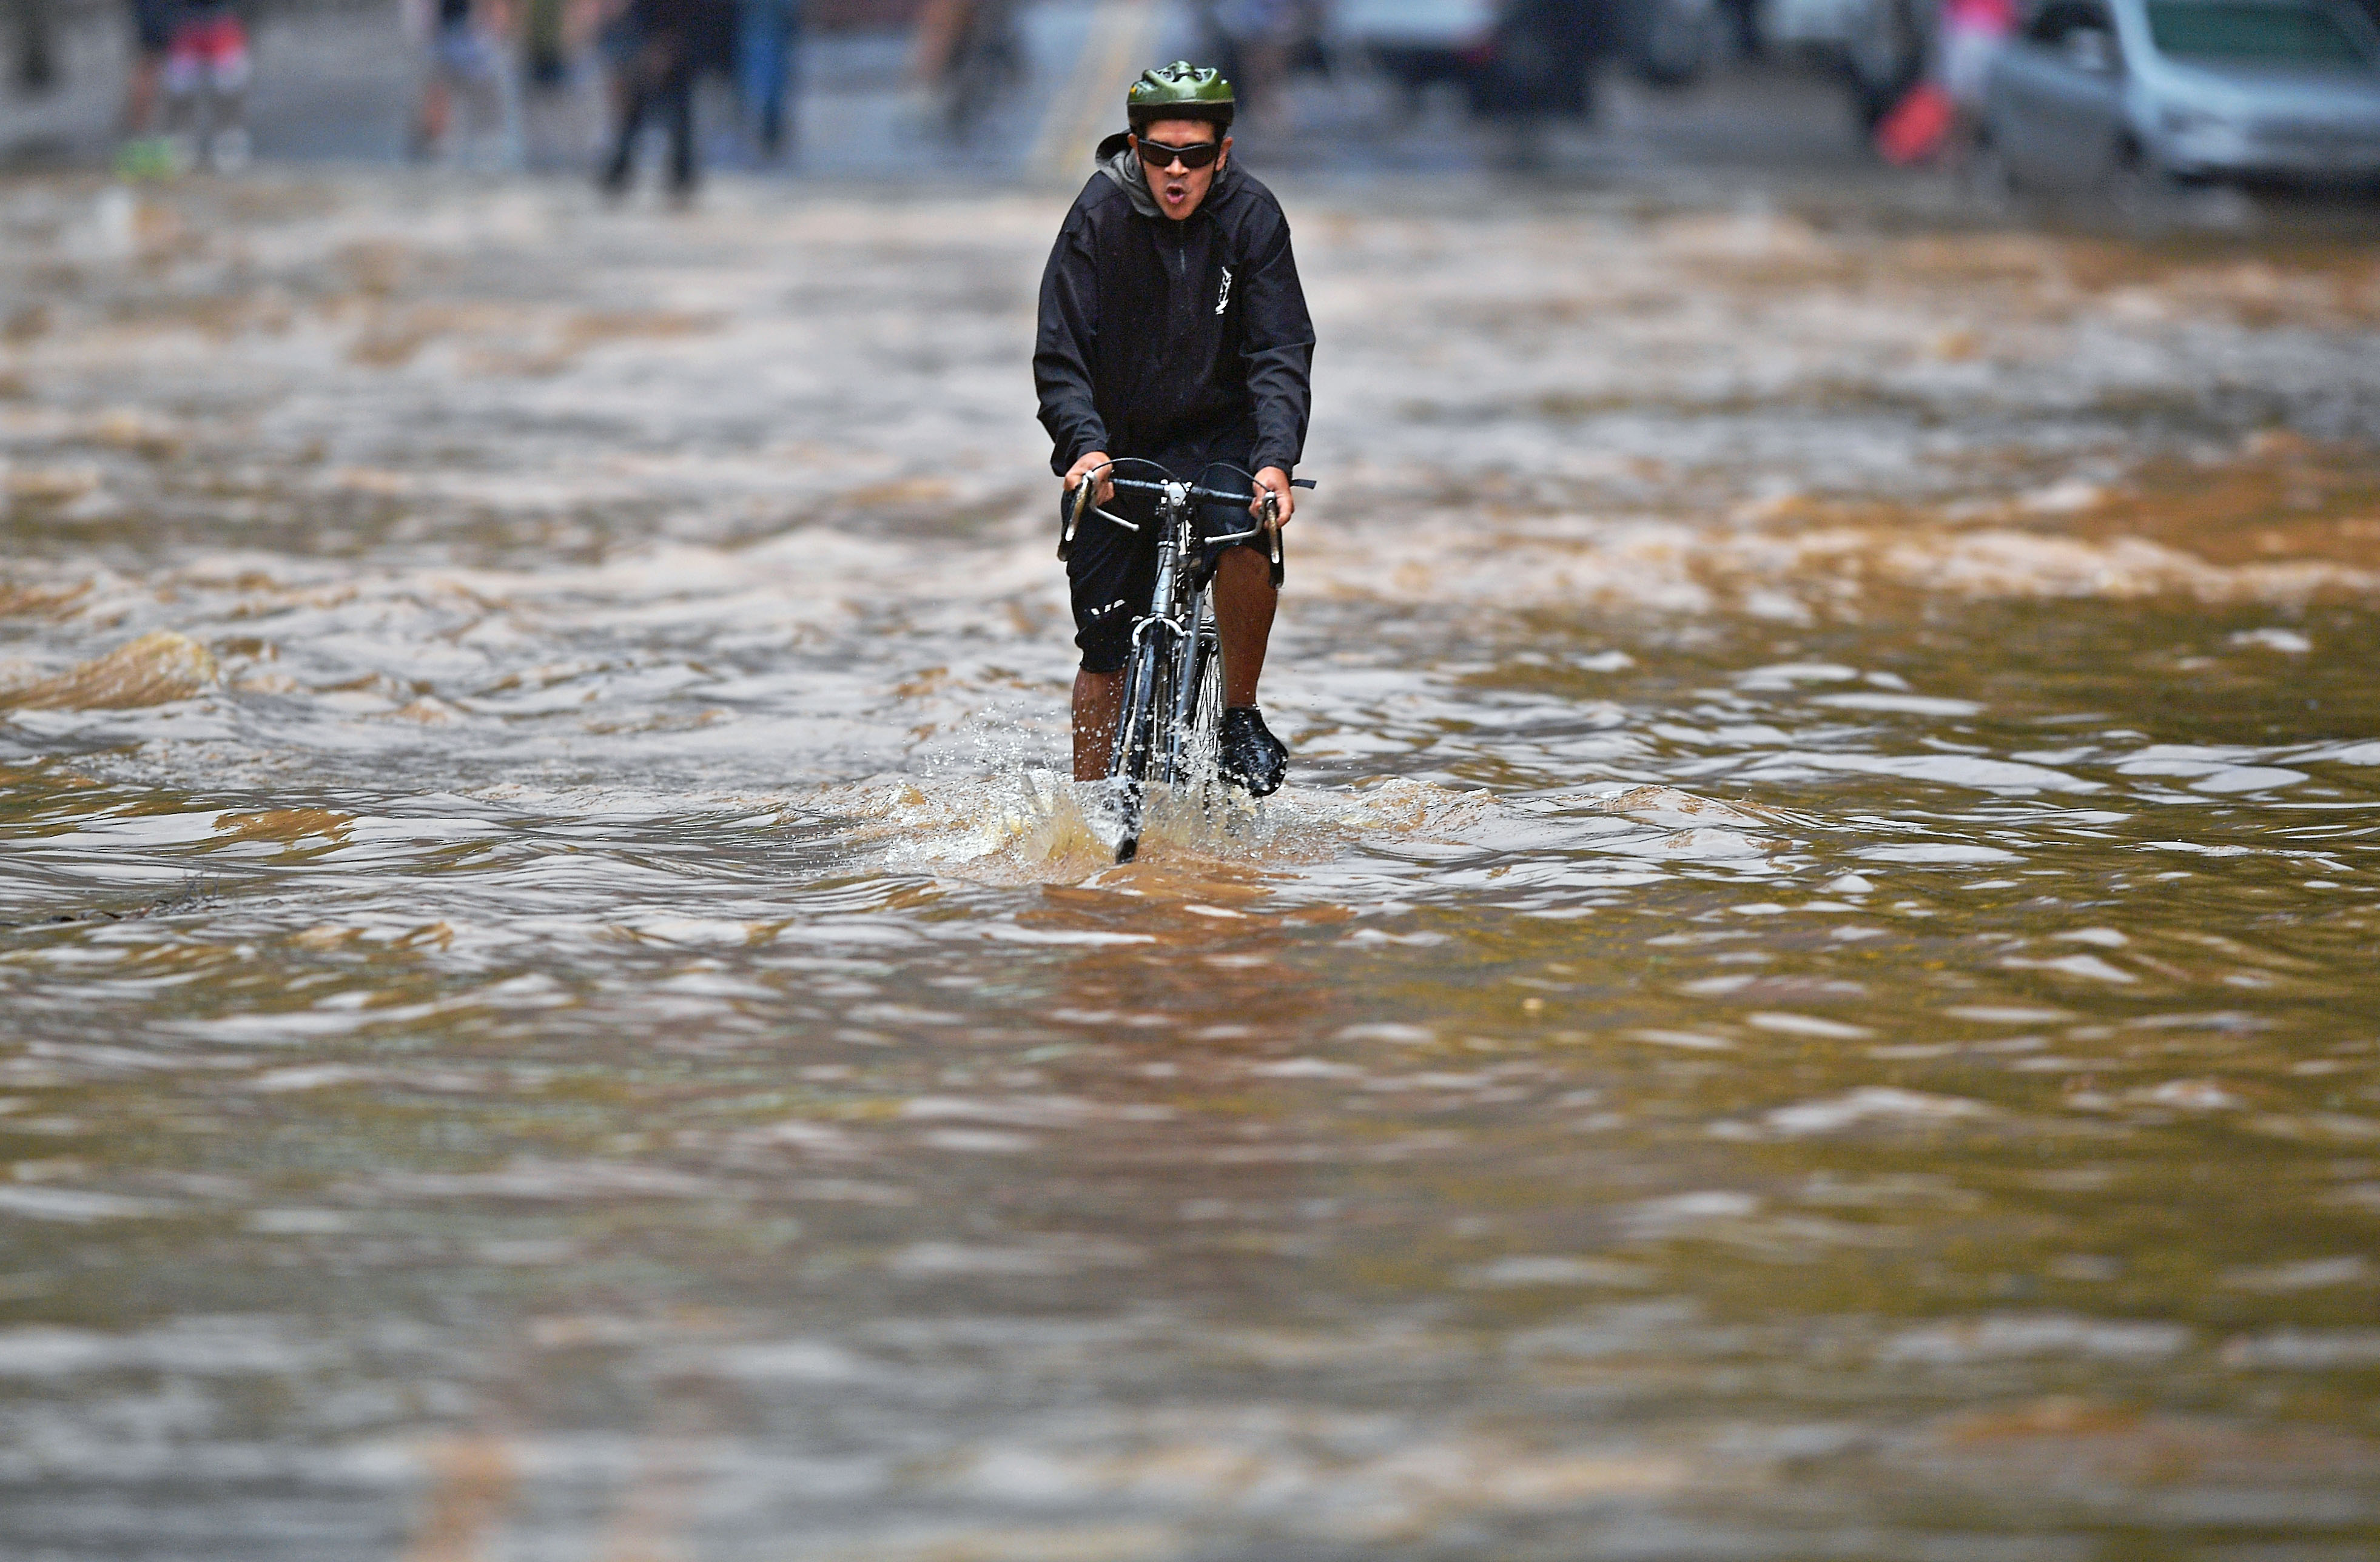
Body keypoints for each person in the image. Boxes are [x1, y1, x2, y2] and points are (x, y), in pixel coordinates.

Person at [1035, 61, 1314, 797]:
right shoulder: (1096, 217)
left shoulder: (1254, 217)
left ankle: (1240, 715)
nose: (1177, 171)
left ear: (1223, 151)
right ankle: (1094, 811)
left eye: (1195, 155)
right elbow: (1060, 354)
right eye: (1160, 154)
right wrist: (1084, 448)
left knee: (1252, 526)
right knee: (1102, 651)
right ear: (1136, 145)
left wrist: (1276, 462)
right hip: (1117, 448)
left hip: (1224, 441)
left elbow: (1281, 353)